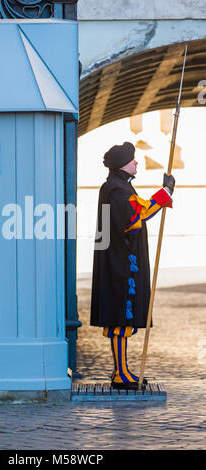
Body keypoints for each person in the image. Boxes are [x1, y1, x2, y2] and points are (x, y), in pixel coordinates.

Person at [90, 142, 175, 390]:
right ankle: (120, 374)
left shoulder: (118, 186)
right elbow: (139, 215)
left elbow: (140, 209)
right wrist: (166, 191)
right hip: (121, 265)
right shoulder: (116, 190)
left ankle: (123, 371)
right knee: (120, 320)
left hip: (122, 262)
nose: (136, 163)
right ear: (121, 165)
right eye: (132, 159)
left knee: (123, 320)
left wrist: (165, 192)